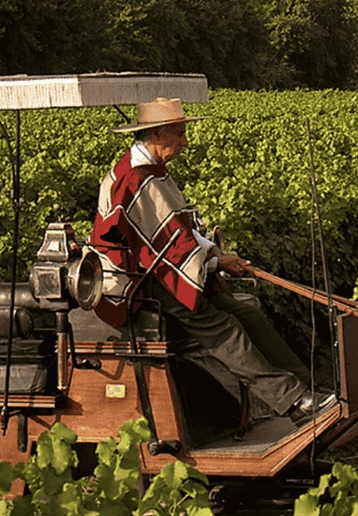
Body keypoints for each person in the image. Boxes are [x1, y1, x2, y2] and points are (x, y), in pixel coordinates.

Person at [91, 97, 330, 422]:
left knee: (249, 316)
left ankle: (309, 388)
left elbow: (179, 227)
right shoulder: (135, 179)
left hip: (162, 267)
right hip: (139, 279)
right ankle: (294, 401)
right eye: (179, 133)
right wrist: (214, 263)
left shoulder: (151, 168)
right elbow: (167, 251)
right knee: (224, 329)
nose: (185, 142)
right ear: (156, 133)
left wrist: (216, 254)